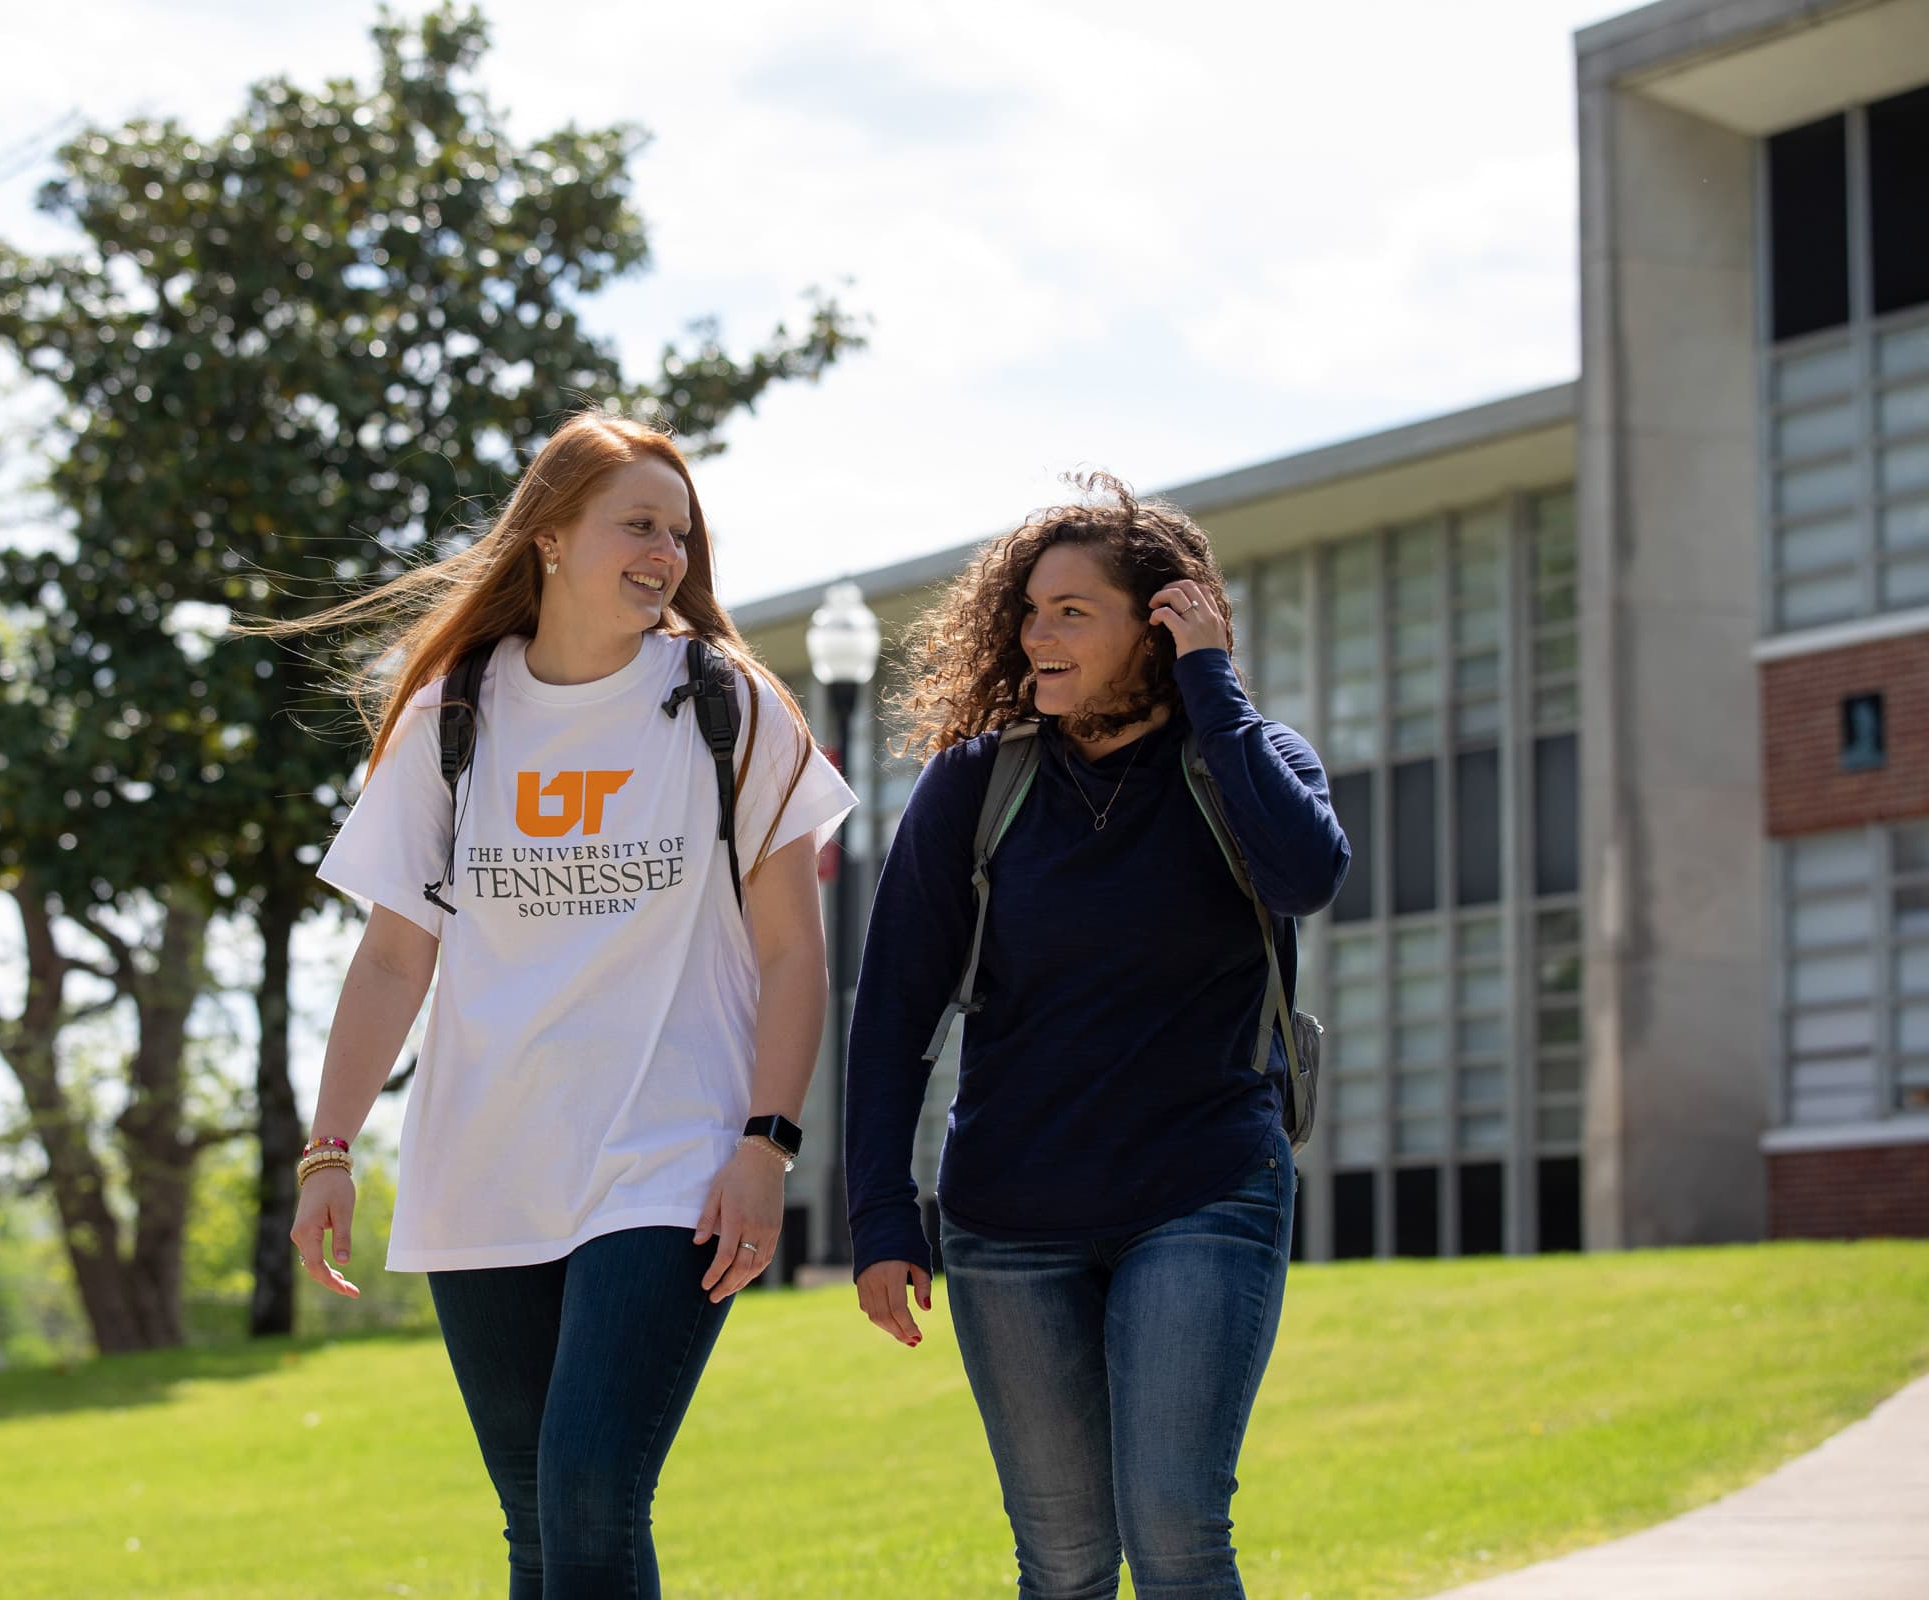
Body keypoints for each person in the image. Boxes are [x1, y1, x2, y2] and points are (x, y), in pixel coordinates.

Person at [278, 412, 855, 1599]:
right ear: (549, 534)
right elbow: (394, 956)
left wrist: (768, 1141)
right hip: (485, 1158)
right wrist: (326, 1149)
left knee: (592, 1491)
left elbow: (797, 953)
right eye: (637, 525)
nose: (668, 555)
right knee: (537, 1527)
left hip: (668, 1156)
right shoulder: (454, 713)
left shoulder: (730, 705)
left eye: (681, 534)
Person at [844, 475, 1349, 1600]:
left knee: (1174, 1532)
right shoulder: (980, 782)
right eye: (1029, 610)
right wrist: (881, 1207)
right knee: (1064, 1562)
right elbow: (892, 1011)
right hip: (1008, 1221)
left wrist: (1211, 683)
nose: (1039, 632)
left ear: (1157, 621)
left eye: (1075, 609)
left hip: (1204, 1191)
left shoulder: (1247, 761)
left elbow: (1304, 874)